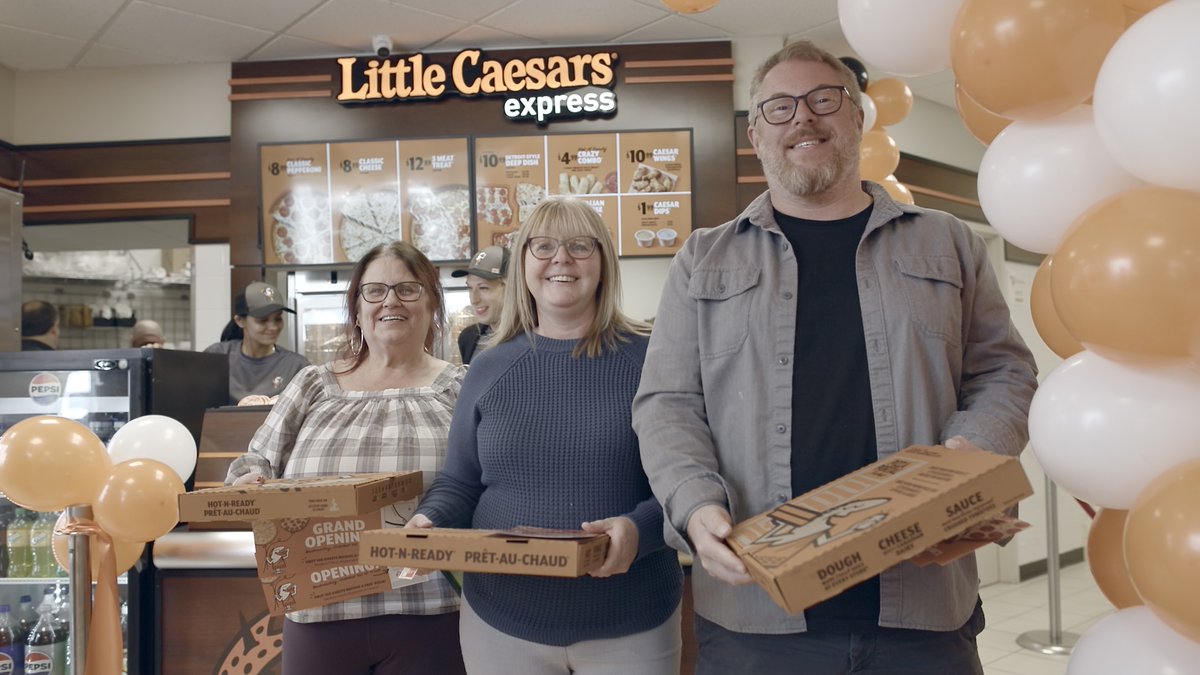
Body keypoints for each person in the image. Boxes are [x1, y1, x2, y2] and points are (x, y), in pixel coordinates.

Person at [631, 40, 1038, 675]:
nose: (803, 118)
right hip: (755, 617)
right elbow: (667, 404)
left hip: (922, 611)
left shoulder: (948, 241)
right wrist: (694, 503)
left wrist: (969, 457)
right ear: (756, 134)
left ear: (857, 118)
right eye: (779, 107)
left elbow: (1005, 371)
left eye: (825, 99)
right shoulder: (703, 259)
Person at [411, 198, 683, 675]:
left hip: (631, 620)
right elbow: (460, 481)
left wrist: (639, 529)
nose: (561, 258)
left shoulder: (652, 358)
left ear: (603, 264)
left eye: (580, 245)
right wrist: (429, 521)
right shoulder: (488, 367)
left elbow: (686, 482)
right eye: (544, 246)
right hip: (501, 621)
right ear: (523, 265)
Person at [225, 241, 467, 675]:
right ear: (357, 308)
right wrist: (249, 487)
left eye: (407, 289)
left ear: (432, 303)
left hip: (432, 613)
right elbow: (256, 462)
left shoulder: (462, 388)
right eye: (374, 290)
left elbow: (485, 482)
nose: (390, 300)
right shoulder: (313, 384)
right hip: (320, 616)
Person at [204, 282, 309, 405]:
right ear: (240, 321)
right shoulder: (217, 356)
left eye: (278, 318)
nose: (273, 327)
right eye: (263, 320)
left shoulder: (296, 366)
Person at [450, 245, 511, 365]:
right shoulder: (467, 339)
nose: (474, 299)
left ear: (510, 288)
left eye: (483, 288)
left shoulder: (534, 339)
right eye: (470, 288)